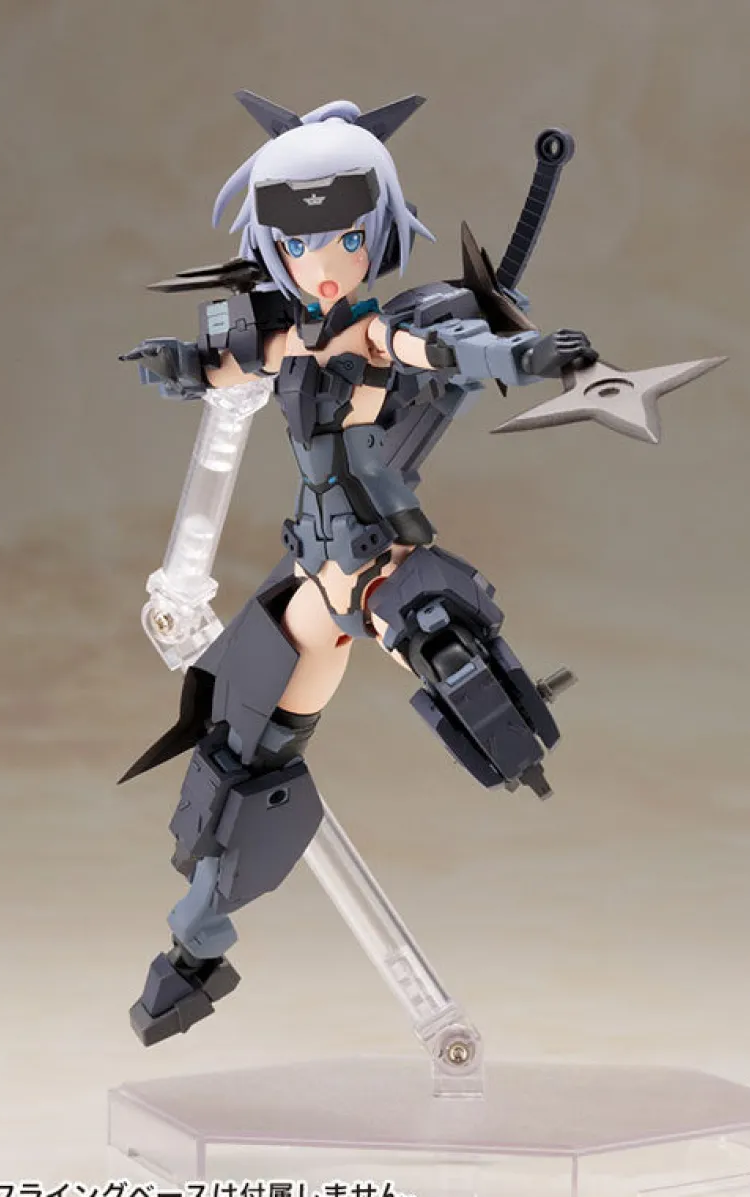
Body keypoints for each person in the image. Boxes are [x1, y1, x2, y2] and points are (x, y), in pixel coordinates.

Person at [120, 90, 597, 1046]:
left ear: (376, 231)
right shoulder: (285, 336)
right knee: (239, 759)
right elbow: (222, 366)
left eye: (344, 237)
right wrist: (177, 365)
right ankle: (195, 952)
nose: (323, 260)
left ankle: (512, 741)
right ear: (272, 246)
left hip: (377, 562)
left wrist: (527, 354)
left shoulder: (376, 337)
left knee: (448, 646)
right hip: (314, 578)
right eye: (300, 243)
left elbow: (447, 347)